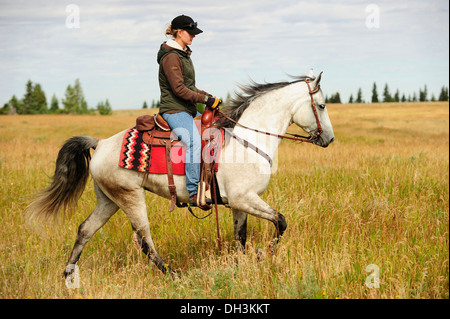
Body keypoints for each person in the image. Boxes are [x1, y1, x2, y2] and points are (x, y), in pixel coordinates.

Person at [157, 15, 221, 210]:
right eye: (190, 33)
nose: (193, 36)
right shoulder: (170, 56)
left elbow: (189, 87)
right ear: (179, 32)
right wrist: (204, 100)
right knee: (193, 141)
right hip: (174, 110)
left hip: (186, 110)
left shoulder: (183, 54)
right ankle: (193, 192)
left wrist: (208, 96)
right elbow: (179, 89)